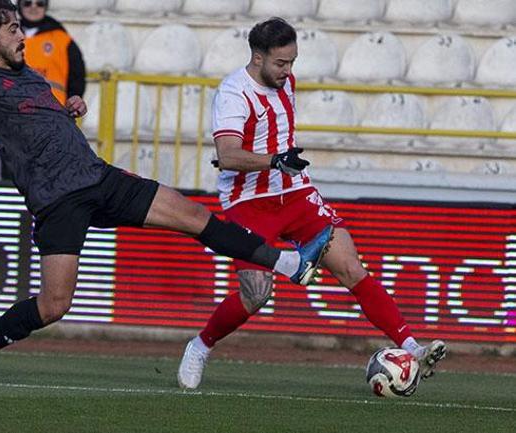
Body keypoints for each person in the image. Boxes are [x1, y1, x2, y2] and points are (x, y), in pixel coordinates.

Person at [0, 0, 333, 382]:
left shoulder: (29, 75)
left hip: (97, 177)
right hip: (57, 200)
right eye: (12, 29)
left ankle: (291, 263)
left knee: (194, 217)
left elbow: (39, 122)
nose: (21, 34)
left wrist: (69, 111)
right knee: (54, 305)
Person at [176, 17, 447, 390]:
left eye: (293, 62)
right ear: (257, 58)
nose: (288, 71)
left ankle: (412, 347)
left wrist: (283, 167)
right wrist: (274, 160)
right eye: (281, 63)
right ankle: (200, 345)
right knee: (256, 293)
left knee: (351, 267)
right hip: (248, 201)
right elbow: (227, 155)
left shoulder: (285, 81)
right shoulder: (233, 94)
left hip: (295, 193)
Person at [0, 0, 86, 180]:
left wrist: (74, 98)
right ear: (19, 6)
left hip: (52, 115)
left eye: (39, 3)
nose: (33, 7)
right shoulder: (6, 34)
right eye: (27, 3)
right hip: (13, 113)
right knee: (13, 170)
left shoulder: (60, 37)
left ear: (46, 6)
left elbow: (77, 73)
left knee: (50, 172)